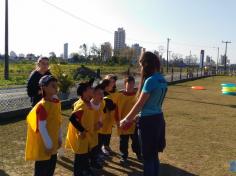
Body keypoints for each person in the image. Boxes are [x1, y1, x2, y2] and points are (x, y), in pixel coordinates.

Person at [120, 52, 167, 176]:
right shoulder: (162, 79)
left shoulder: (150, 80)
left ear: (146, 64)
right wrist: (138, 115)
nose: (141, 68)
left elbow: (140, 104)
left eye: (141, 65)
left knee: (147, 157)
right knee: (154, 154)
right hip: (158, 119)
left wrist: (126, 119)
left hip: (148, 123)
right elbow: (153, 104)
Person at [25, 75, 62, 176]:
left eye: (56, 85)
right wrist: (48, 144)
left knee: (51, 168)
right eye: (53, 85)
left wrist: (59, 137)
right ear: (44, 87)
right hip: (45, 145)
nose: (56, 87)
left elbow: (58, 121)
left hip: (53, 142)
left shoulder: (56, 103)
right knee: (42, 169)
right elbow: (42, 128)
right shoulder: (42, 106)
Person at [65, 82, 102, 176]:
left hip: (87, 137)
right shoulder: (82, 105)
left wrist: (95, 125)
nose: (93, 89)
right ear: (84, 92)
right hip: (81, 137)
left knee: (85, 156)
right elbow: (72, 119)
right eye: (90, 88)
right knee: (80, 158)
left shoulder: (88, 102)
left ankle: (87, 170)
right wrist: (82, 130)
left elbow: (87, 118)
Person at [116, 76, 141, 163]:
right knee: (123, 141)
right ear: (124, 84)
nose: (130, 86)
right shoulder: (119, 96)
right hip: (123, 123)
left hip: (134, 123)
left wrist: (137, 117)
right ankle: (124, 156)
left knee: (136, 140)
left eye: (132, 84)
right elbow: (116, 109)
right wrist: (117, 121)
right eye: (129, 84)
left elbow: (140, 107)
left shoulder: (137, 95)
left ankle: (138, 154)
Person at [98, 79, 116, 156]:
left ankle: (104, 147)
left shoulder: (108, 94)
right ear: (106, 86)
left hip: (106, 120)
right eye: (111, 84)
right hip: (102, 120)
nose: (113, 85)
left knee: (106, 134)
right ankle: (99, 151)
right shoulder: (104, 96)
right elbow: (111, 107)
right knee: (101, 136)